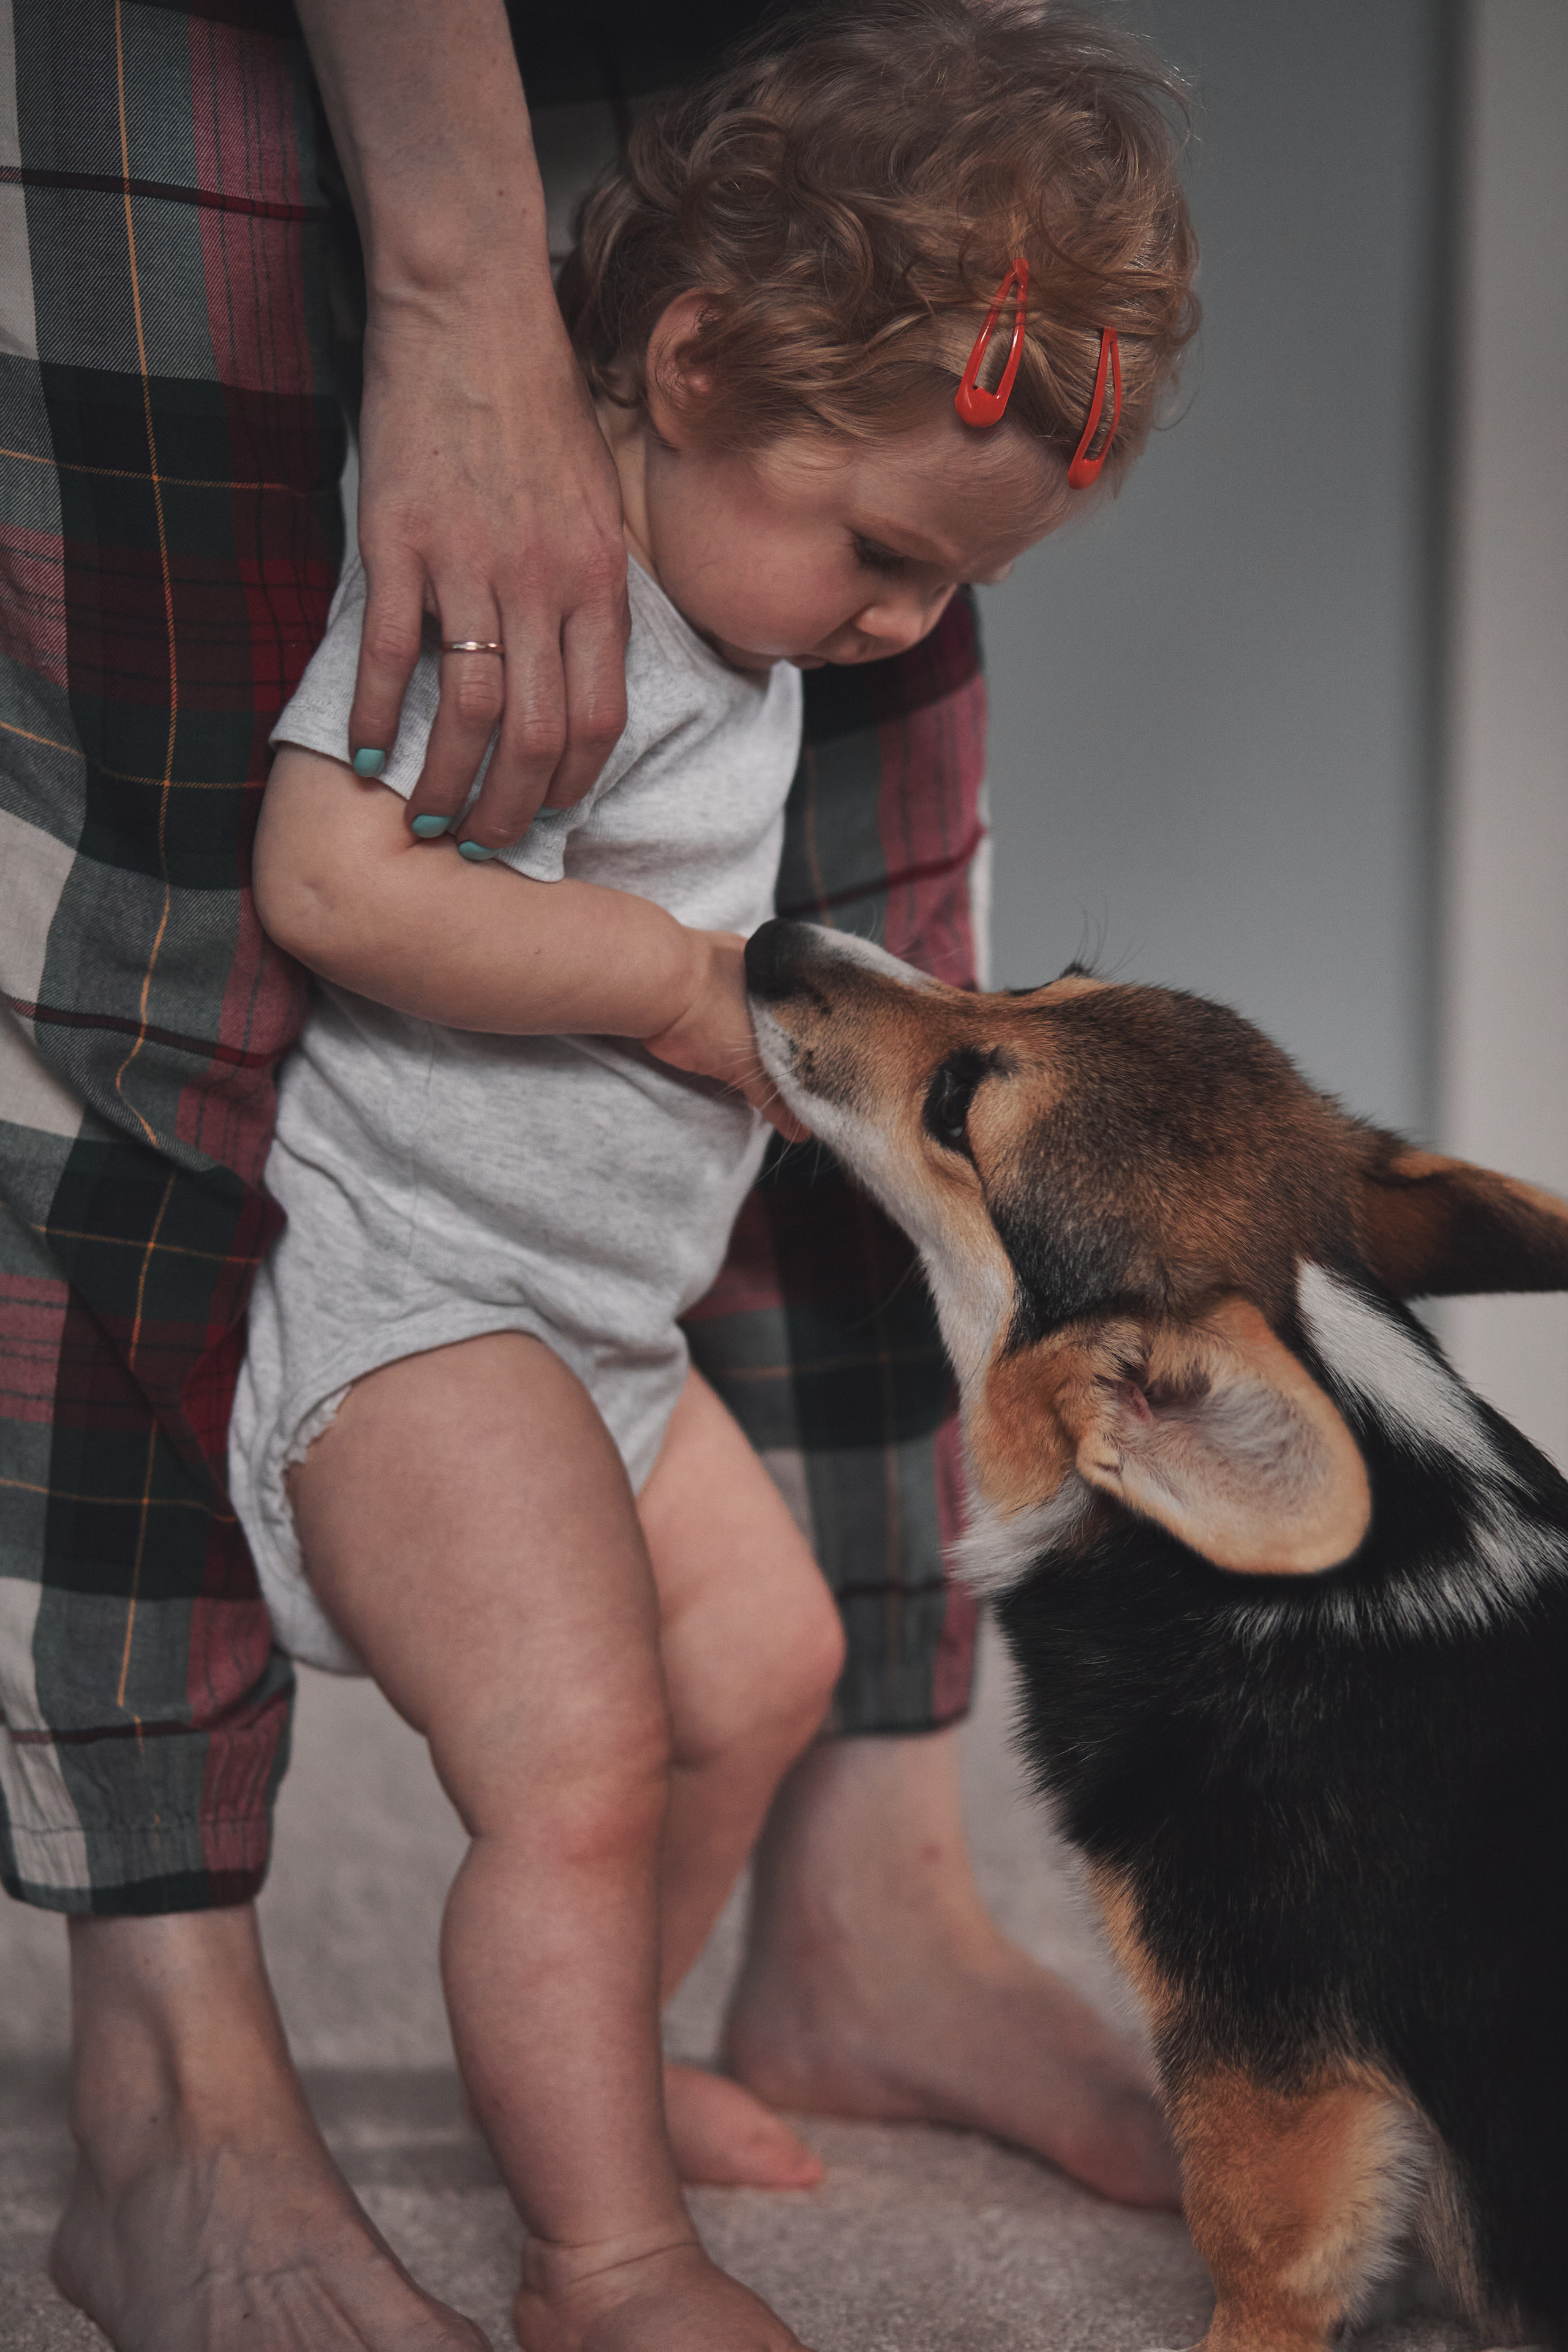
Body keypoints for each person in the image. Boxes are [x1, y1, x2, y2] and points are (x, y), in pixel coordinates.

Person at [0, 6, 1193, 2349]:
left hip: (601, 1336)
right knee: (583, 1756)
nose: (902, 629)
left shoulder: (744, 623)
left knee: (767, 1666)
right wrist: (669, 989)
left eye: (951, 586)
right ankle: (607, 2255)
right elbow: (333, 887)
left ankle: (599, 2055)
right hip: (412, 1315)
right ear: (690, 360)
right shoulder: (498, 580)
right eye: (877, 553)